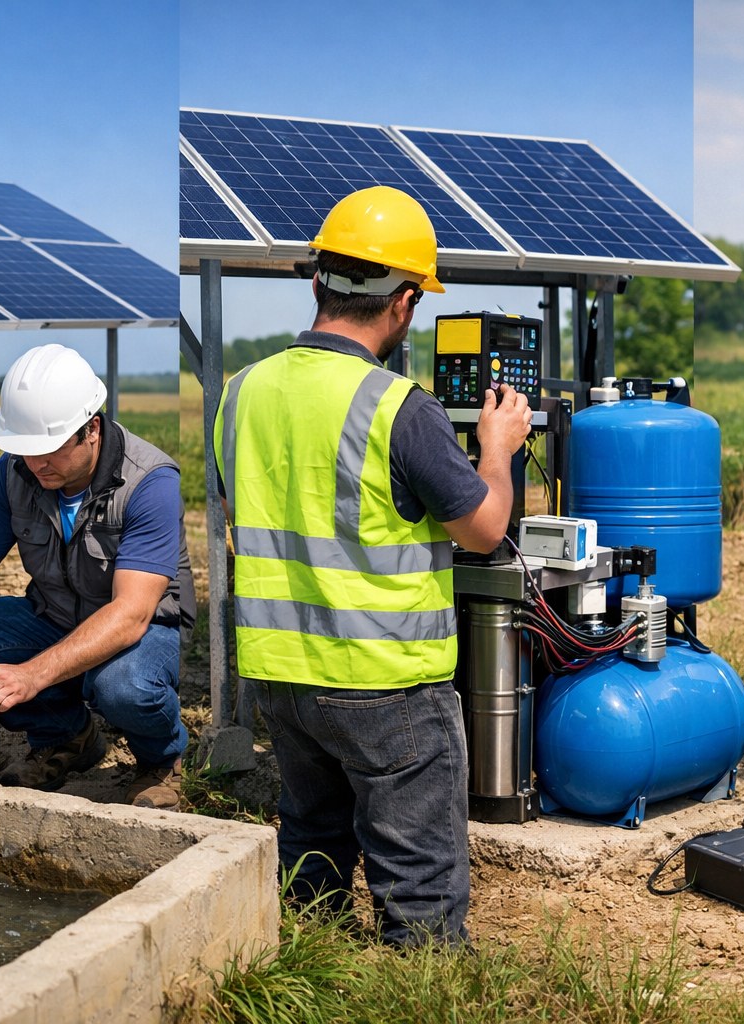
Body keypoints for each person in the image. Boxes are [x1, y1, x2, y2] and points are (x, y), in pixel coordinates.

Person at [213, 185, 532, 946]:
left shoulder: (239, 392)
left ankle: (312, 969)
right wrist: (499, 448)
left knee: (311, 844)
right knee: (416, 876)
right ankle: (417, 993)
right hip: (386, 681)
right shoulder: (398, 406)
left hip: (284, 677)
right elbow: (486, 529)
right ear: (406, 302)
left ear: (318, 280)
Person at [0, 343, 196, 809]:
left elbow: (130, 615)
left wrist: (31, 674)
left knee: (122, 687)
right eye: (24, 450)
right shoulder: (13, 474)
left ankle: (161, 761)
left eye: (48, 449)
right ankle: (67, 738)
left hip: (142, 632)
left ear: (92, 430)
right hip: (55, 615)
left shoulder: (150, 482)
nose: (36, 463)